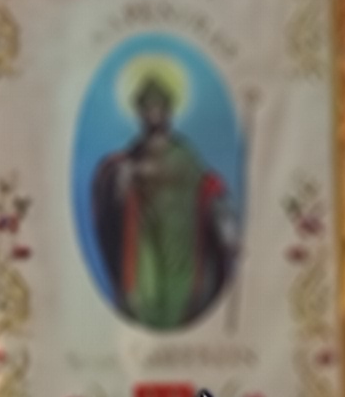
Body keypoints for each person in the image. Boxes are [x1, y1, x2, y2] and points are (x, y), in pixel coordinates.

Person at [88, 63, 237, 331]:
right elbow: (115, 185)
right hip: (144, 238)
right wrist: (117, 180)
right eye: (147, 109)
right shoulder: (132, 154)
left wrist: (222, 218)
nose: (153, 115)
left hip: (181, 242)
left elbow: (199, 181)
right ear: (139, 114)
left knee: (180, 299)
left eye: (158, 108)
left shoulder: (182, 151)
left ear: (168, 111)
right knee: (141, 296)